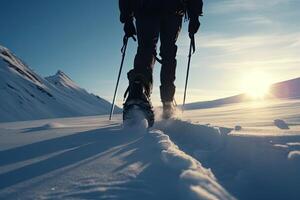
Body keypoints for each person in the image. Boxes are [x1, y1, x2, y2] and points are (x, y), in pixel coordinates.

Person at [119, 0, 203, 127]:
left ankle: (138, 90)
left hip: (144, 7)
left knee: (146, 49)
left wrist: (127, 18)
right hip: (173, 10)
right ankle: (167, 103)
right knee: (168, 53)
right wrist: (194, 15)